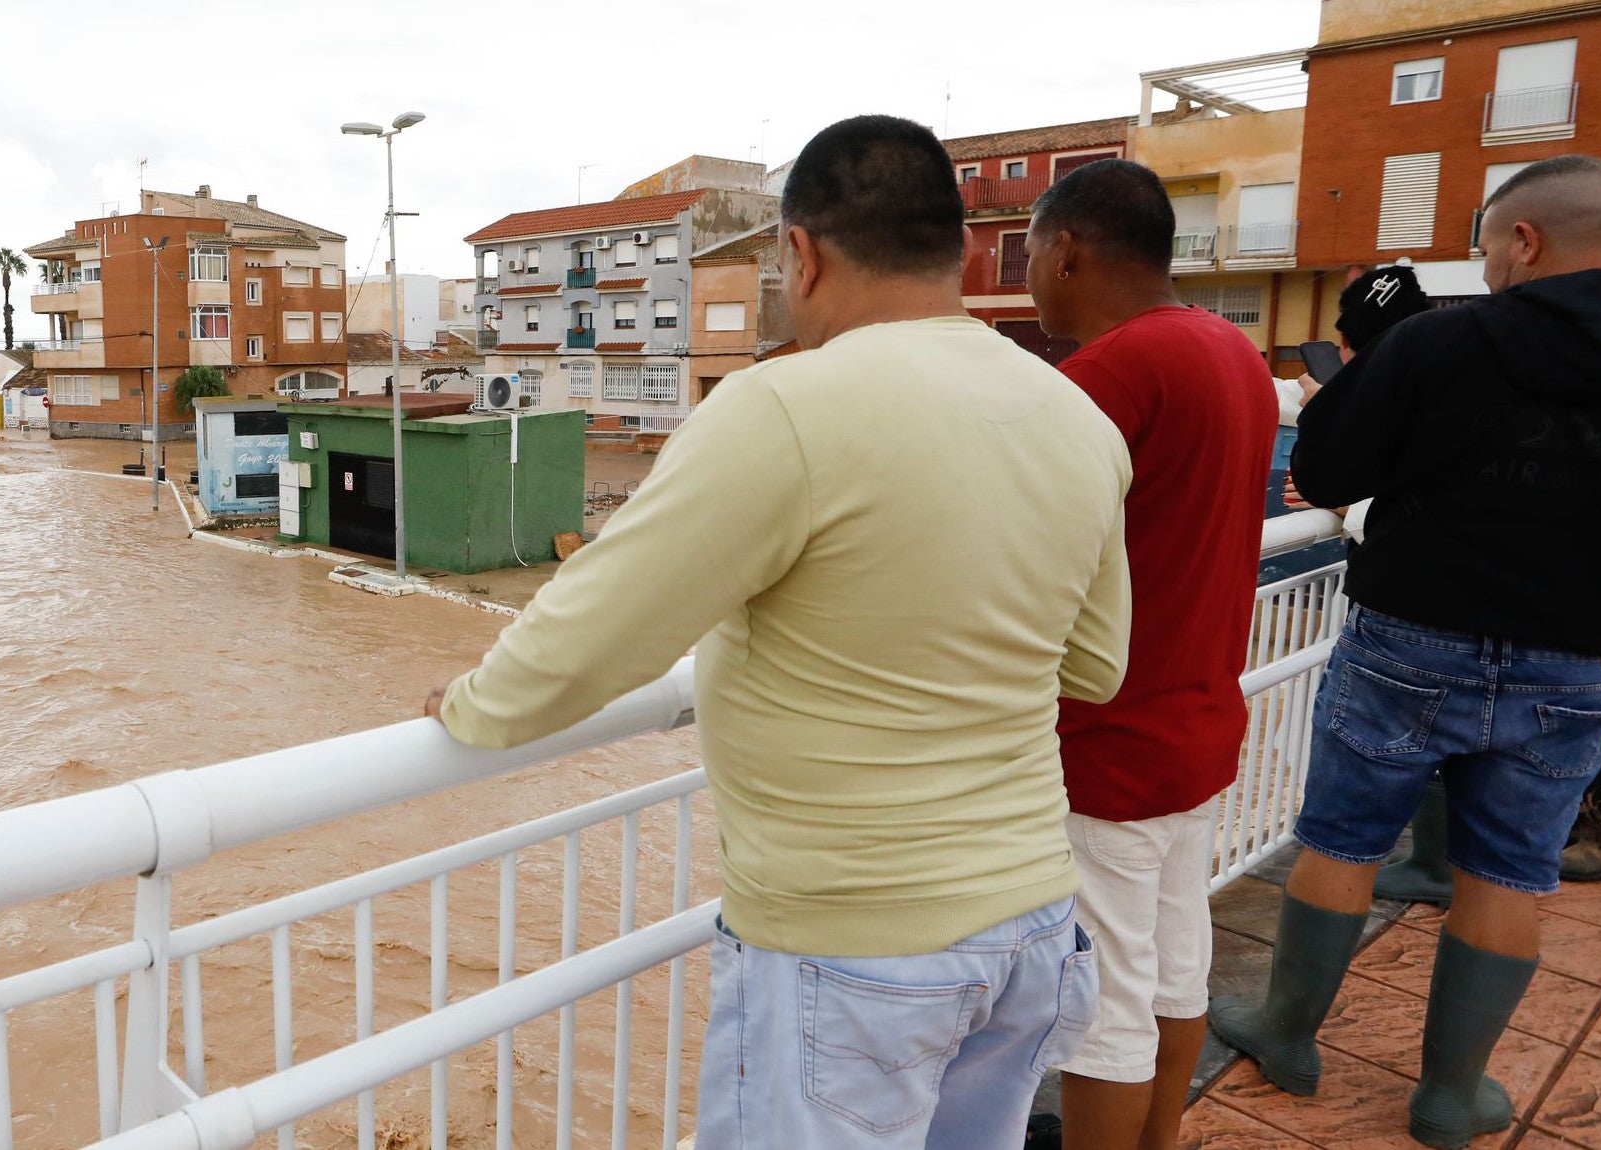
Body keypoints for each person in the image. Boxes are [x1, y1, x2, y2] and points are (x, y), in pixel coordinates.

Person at [424, 114, 1133, 1150]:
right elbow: (1097, 666)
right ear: (969, 252)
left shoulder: (785, 409)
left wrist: (468, 708)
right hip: (1029, 927)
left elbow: (590, 635)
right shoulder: (1075, 417)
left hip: (855, 950)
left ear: (798, 254)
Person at [1209, 155, 1601, 1150]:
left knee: (1341, 842)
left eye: (1489, 246)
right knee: (1507, 874)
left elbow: (1322, 465)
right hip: (1577, 661)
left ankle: (1286, 1033)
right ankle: (1450, 1096)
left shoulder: (1442, 341)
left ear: (1524, 239)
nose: (1486, 265)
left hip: (1410, 638)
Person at [1020, 159, 1275, 1150]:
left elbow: (1019, 551)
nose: (1033, 272)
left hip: (1110, 739)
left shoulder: (1106, 374)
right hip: (1199, 720)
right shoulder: (1231, 352)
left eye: (1033, 250)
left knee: (1102, 1002)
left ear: (1067, 248)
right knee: (1174, 965)